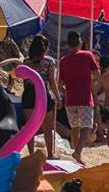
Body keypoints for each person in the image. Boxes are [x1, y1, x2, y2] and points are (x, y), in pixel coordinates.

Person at [58, 32, 100, 164]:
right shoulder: (87, 55)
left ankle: (76, 155)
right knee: (87, 126)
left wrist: (67, 90)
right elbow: (97, 73)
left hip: (70, 99)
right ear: (80, 42)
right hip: (84, 98)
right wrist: (91, 81)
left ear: (68, 44)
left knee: (74, 128)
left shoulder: (63, 60)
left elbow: (60, 84)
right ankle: (78, 151)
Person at [21, 34, 60, 159]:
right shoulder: (49, 62)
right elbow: (52, 81)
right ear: (46, 48)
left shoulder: (26, 62)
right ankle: (50, 154)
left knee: (29, 127)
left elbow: (24, 81)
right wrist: (58, 97)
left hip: (29, 93)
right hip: (42, 94)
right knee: (48, 127)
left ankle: (31, 153)